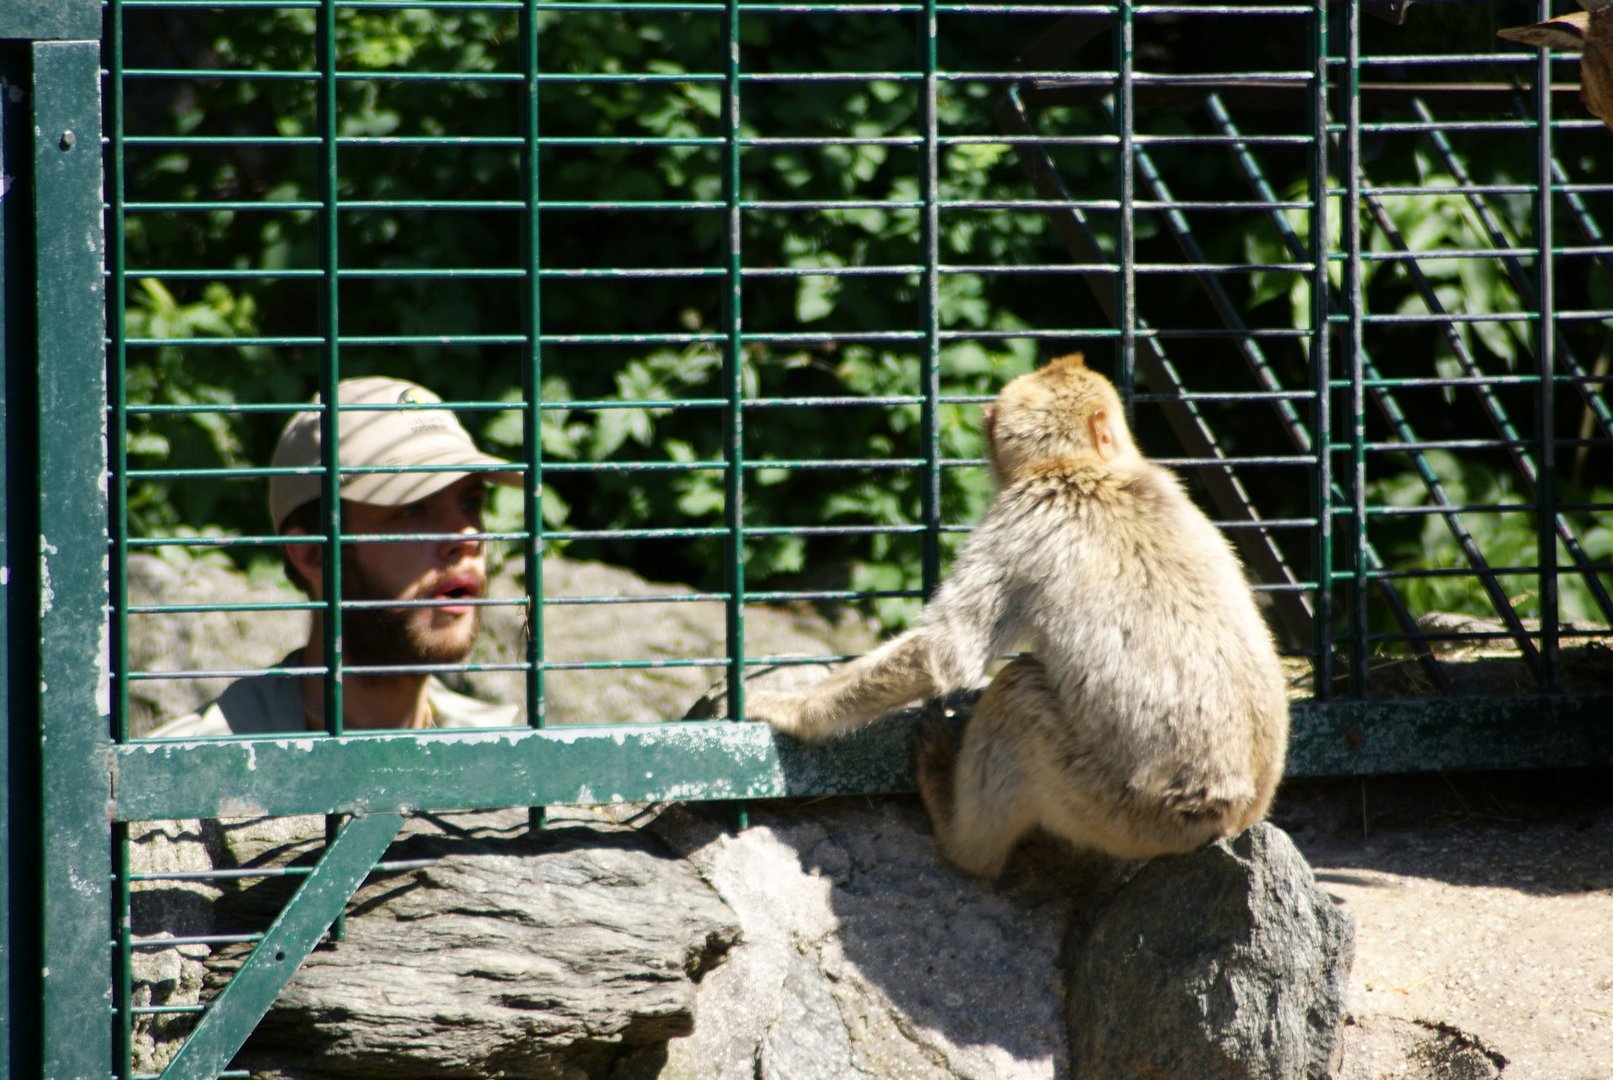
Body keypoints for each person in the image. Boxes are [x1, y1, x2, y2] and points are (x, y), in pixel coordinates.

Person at [150, 377, 524, 736]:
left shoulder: (513, 754)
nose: (468, 537)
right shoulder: (192, 771)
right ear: (314, 554)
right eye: (413, 509)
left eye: (471, 502)